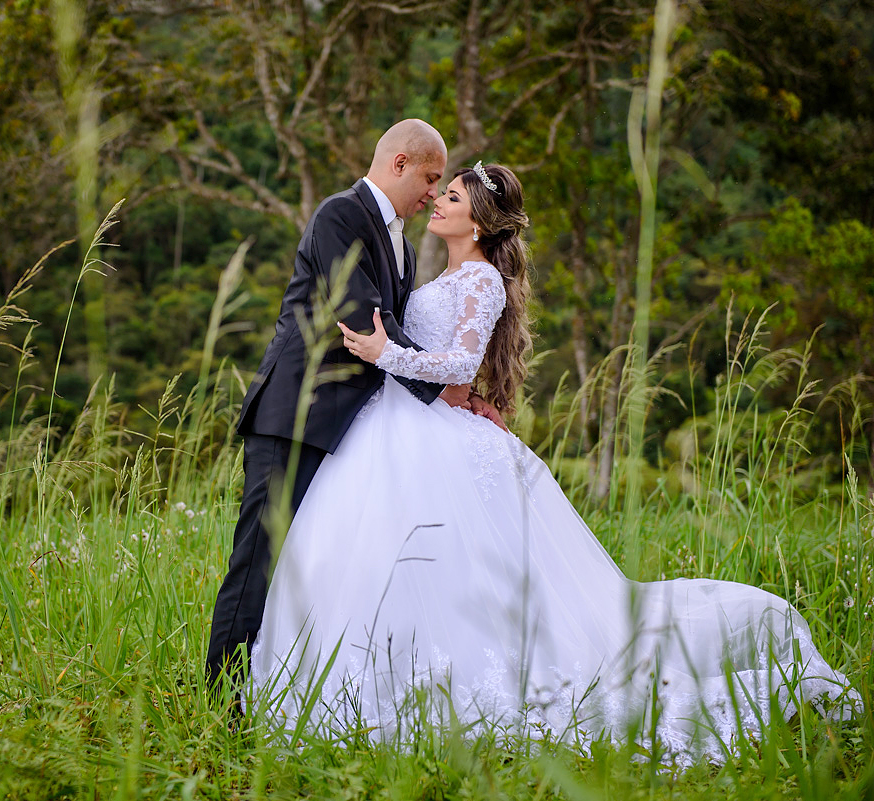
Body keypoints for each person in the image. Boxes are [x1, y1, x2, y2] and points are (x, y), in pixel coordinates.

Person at [249, 163, 860, 763]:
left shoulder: (482, 280)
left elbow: (460, 364)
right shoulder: (431, 265)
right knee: (382, 557)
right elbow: (448, 362)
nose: (437, 200)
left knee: (449, 566)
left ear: (480, 221)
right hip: (396, 426)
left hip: (425, 426)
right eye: (437, 188)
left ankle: (441, 688)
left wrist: (388, 352)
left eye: (452, 194)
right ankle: (363, 683)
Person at [205, 120, 505, 689]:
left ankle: (287, 687)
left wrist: (460, 396)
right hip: (296, 418)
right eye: (430, 178)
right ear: (399, 164)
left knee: (313, 568)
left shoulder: (400, 244)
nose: (433, 194)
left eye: (445, 186)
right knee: (258, 563)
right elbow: (368, 321)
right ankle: (221, 699)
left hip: (347, 431)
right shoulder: (340, 215)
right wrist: (445, 390)